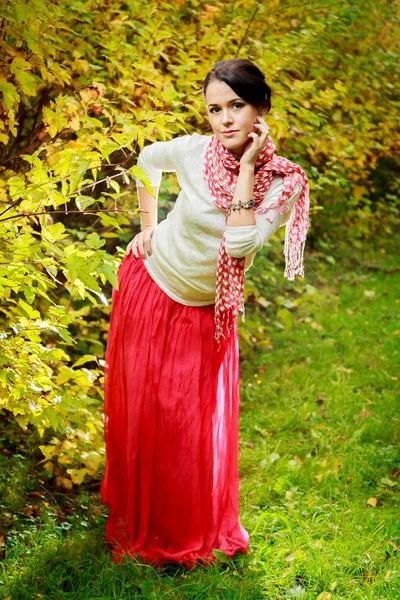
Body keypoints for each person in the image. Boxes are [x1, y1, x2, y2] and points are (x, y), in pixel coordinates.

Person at [100, 58, 310, 570]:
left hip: (203, 310)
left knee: (182, 422)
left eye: (236, 105)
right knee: (147, 412)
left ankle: (178, 528)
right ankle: (139, 517)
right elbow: (146, 162)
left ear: (262, 108)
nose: (224, 119)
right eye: (215, 109)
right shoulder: (194, 152)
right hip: (151, 283)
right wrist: (147, 224)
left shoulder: (283, 183)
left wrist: (244, 171)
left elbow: (239, 244)